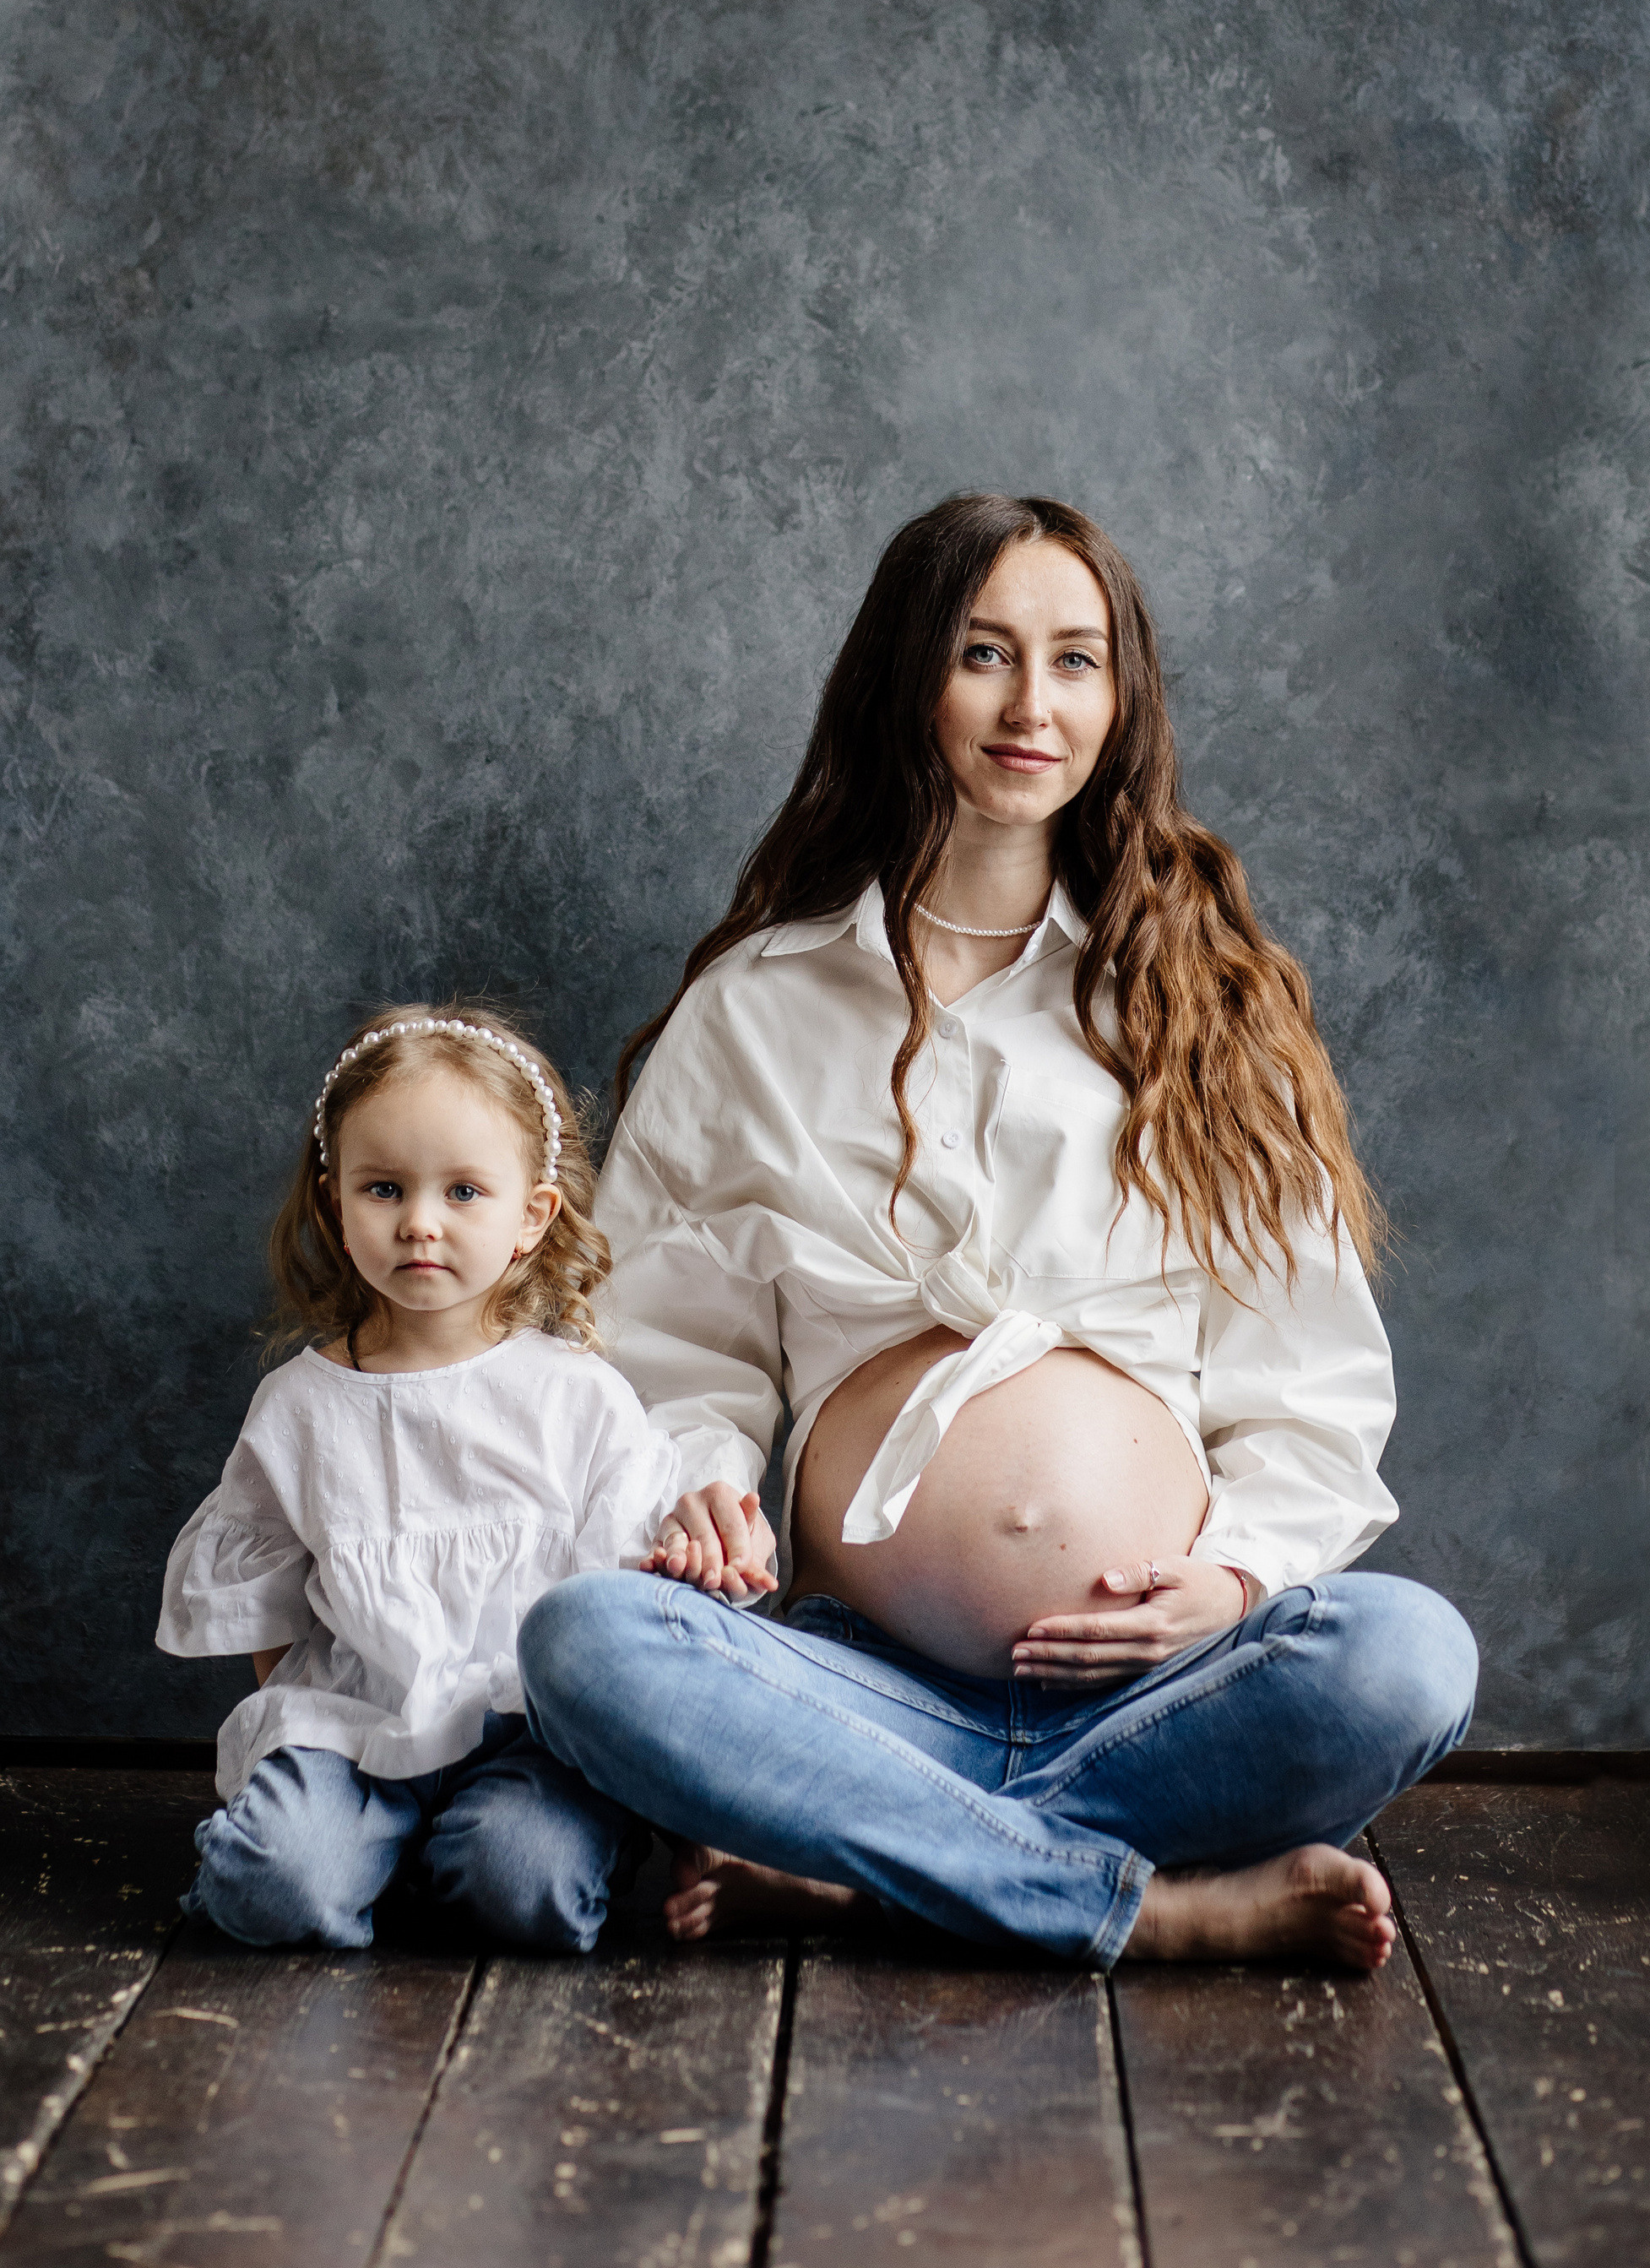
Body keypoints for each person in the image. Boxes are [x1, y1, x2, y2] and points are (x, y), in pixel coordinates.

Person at [519, 491, 1477, 1972]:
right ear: (908, 676)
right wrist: (701, 1487)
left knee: (1410, 1656)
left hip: (1165, 1691)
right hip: (858, 1685)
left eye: (1077, 661)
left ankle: (880, 1863)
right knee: (586, 1646)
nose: (1034, 705)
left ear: (1121, 698)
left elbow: (1313, 1398)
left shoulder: (1207, 1013)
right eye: (985, 653)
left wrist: (1227, 1582)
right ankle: (1139, 1903)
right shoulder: (756, 1011)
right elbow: (667, 1348)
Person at [157, 1005, 680, 1952]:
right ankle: (344, 1852)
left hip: (530, 1735)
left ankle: (459, 1853)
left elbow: (622, 1604)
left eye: (465, 1192)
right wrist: (298, 1744)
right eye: (385, 1189)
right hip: (351, 1730)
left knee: (526, 1892)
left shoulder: (579, 1398)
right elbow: (265, 1607)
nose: (421, 1224)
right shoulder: (300, 1407)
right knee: (274, 1889)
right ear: (335, 1206)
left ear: (533, 1216)